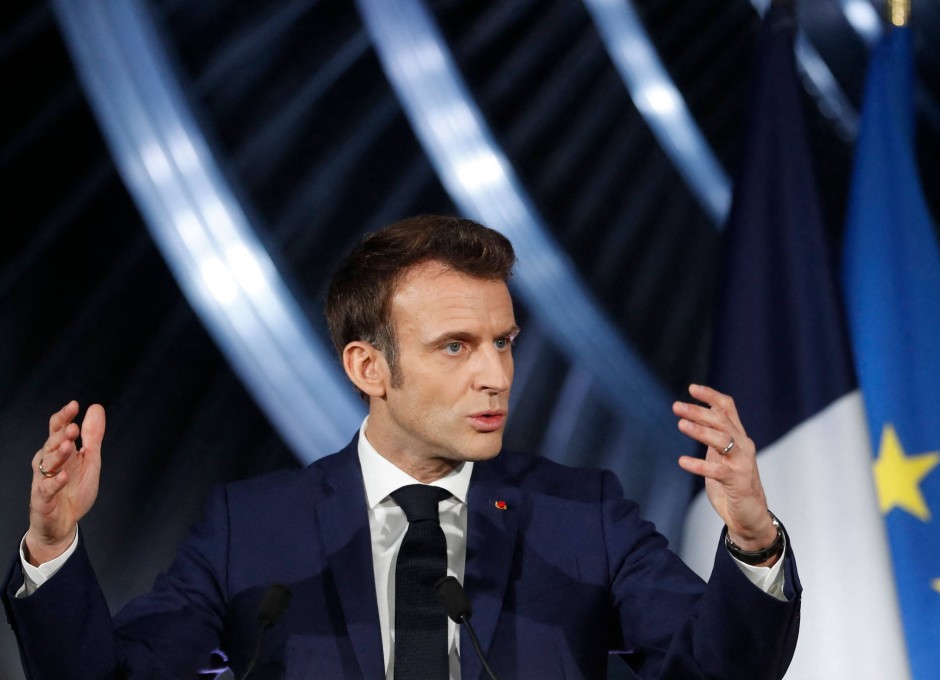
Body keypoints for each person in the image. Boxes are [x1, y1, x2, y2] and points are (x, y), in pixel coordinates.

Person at [3, 215, 800, 679]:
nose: (496, 376)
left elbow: (717, 671)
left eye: (504, 342)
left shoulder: (581, 515)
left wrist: (753, 540)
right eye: (456, 346)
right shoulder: (254, 527)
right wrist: (52, 545)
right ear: (369, 367)